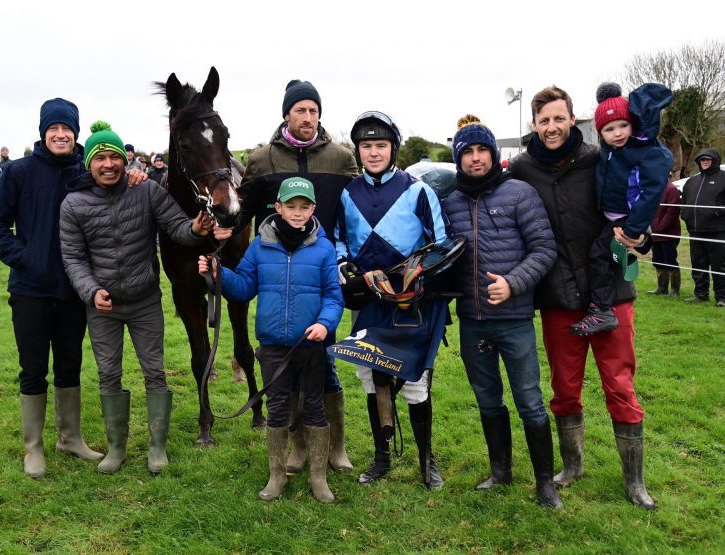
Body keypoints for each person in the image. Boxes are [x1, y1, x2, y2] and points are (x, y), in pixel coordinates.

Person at [0, 98, 146, 479]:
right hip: (30, 289)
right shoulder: (18, 172)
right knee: (33, 367)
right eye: (53, 128)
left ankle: (70, 437)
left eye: (67, 129)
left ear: (75, 134)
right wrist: (23, 257)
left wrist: (135, 175)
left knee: (70, 363)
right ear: (43, 133)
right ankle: (33, 447)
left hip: (75, 289)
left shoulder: (83, 171)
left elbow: (117, 179)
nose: (60, 134)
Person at [508, 85, 657, 509]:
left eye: (559, 118)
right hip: (557, 295)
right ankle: (572, 465)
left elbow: (638, 199)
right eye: (543, 121)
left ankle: (634, 481)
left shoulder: (602, 158)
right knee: (564, 388)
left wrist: (641, 238)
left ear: (573, 118)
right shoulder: (521, 169)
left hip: (610, 293)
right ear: (533, 125)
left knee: (620, 386)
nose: (552, 128)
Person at [60, 122, 214, 475]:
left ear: (125, 161)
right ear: (89, 164)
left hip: (145, 301)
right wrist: (91, 291)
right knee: (109, 373)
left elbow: (177, 227)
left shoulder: (146, 192)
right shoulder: (73, 204)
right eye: (101, 158)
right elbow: (73, 257)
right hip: (103, 306)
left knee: (154, 372)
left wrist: (196, 229)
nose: (109, 164)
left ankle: (157, 446)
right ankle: (116, 448)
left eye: (115, 156)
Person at [237, 78, 358, 474]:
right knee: (285, 370)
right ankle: (297, 446)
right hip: (279, 271)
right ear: (286, 114)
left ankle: (334, 445)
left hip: (324, 264)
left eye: (313, 110)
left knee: (324, 365)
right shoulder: (262, 159)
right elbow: (244, 211)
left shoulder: (341, 158)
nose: (307, 117)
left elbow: (355, 212)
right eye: (300, 110)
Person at [198, 176, 343, 502]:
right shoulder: (260, 245)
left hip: (311, 344)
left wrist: (324, 323)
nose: (296, 212)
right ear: (278, 207)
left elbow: (334, 296)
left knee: (314, 407)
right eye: (290, 206)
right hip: (274, 345)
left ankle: (319, 478)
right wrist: (221, 274)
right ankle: (277, 476)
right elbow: (245, 286)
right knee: (278, 409)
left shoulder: (323, 247)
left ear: (313, 209)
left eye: (303, 207)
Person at [441, 115, 561, 508]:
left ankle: (545, 482)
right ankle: (501, 471)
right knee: (488, 398)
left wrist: (513, 282)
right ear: (459, 159)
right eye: (467, 152)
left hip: (514, 319)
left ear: (493, 154)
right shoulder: (451, 203)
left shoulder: (519, 194)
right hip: (473, 321)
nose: (476, 159)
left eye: (482, 150)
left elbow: (544, 249)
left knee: (529, 399)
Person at [335, 110, 448, 489]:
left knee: (415, 383)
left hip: (411, 303)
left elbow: (441, 244)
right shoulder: (347, 193)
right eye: (366, 146)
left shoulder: (419, 190)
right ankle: (381, 458)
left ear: (393, 148)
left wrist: (413, 274)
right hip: (370, 301)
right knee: (372, 378)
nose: (373, 152)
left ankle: (425, 460)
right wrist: (345, 267)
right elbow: (338, 241)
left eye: (380, 145)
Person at [569, 83, 673, 335]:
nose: (617, 133)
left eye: (623, 126)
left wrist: (635, 229)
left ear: (633, 125)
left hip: (626, 220)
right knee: (609, 257)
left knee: (598, 256)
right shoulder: (609, 152)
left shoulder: (644, 152)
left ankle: (602, 310)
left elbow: (651, 193)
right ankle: (622, 261)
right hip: (611, 217)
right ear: (600, 133)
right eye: (609, 128)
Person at [680, 149, 725, 306]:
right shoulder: (692, 181)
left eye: (708, 159)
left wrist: (715, 213)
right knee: (698, 264)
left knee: (719, 265)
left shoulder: (723, 178)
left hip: (718, 231)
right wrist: (685, 214)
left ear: (715, 161)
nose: (705, 162)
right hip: (695, 231)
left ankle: (722, 297)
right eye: (702, 159)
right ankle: (700, 294)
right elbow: (683, 202)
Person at [648, 178, 682, 297]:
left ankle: (674, 290)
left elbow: (673, 211)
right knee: (657, 260)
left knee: (670, 260)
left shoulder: (671, 189)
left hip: (669, 234)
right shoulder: (654, 189)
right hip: (655, 233)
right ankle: (662, 288)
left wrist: (660, 227)